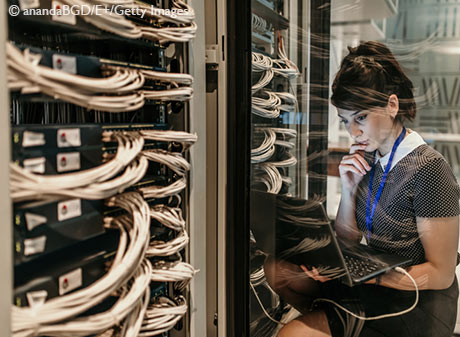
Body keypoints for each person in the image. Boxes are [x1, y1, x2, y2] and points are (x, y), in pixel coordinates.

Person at [264, 41, 460, 337]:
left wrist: (373, 278)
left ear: (392, 105)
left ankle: (332, 323)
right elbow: (348, 237)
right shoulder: (370, 157)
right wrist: (349, 187)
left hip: (417, 301)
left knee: (292, 334)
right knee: (277, 269)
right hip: (373, 277)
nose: (353, 132)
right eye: (346, 121)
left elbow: (441, 274)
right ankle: (335, 319)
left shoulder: (428, 168)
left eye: (361, 118)